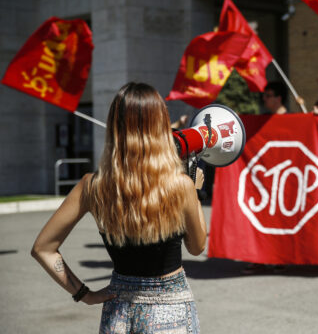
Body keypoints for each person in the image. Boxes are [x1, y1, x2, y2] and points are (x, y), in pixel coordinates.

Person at [31, 82, 208, 333]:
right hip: (172, 311)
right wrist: (194, 192)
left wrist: (84, 294)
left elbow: (43, 249)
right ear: (160, 126)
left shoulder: (91, 186)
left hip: (118, 314)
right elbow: (197, 246)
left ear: (115, 127)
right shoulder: (180, 186)